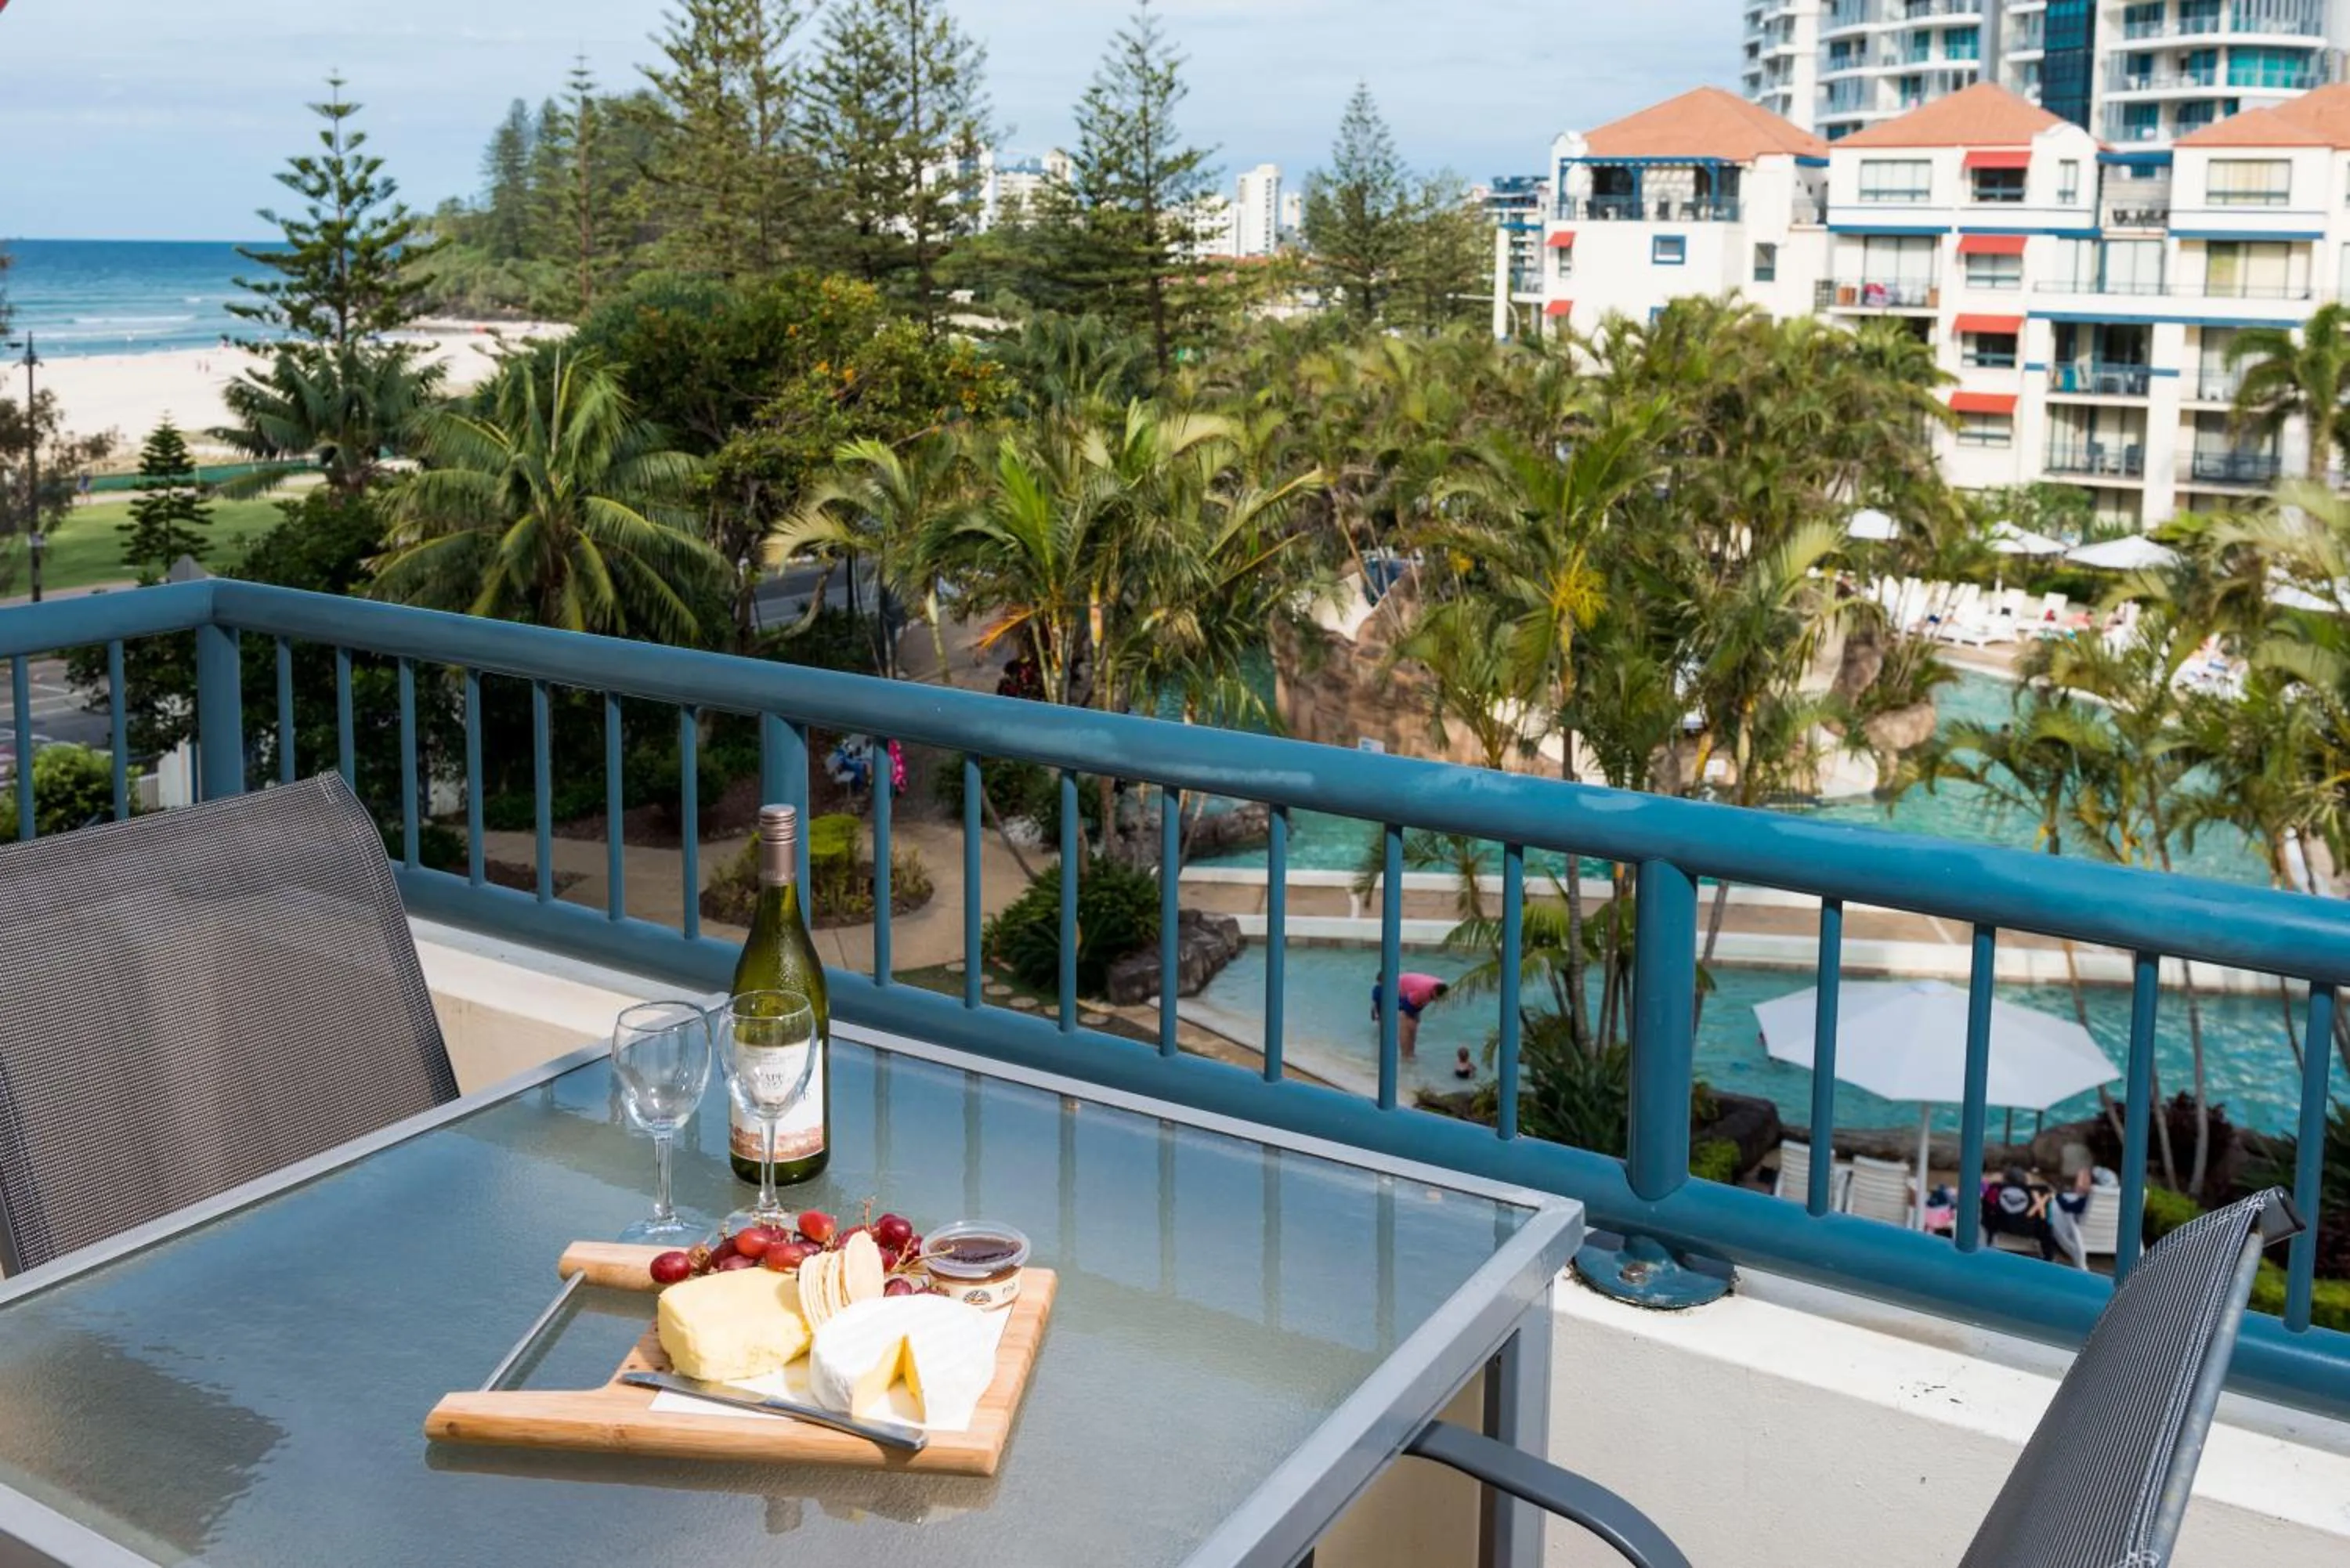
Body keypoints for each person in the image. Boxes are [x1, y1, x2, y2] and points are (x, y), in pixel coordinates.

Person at [1368, 970, 1448, 1059]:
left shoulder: (1441, 986)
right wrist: (1413, 1017)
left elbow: (1423, 1001)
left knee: (1413, 1022)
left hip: (1408, 984)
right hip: (1397, 987)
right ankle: (1405, 1055)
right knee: (1406, 1022)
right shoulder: (1422, 992)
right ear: (1434, 992)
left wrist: (1416, 1015)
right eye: (1438, 998)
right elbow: (1408, 1005)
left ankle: (1409, 1053)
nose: (1438, 1001)